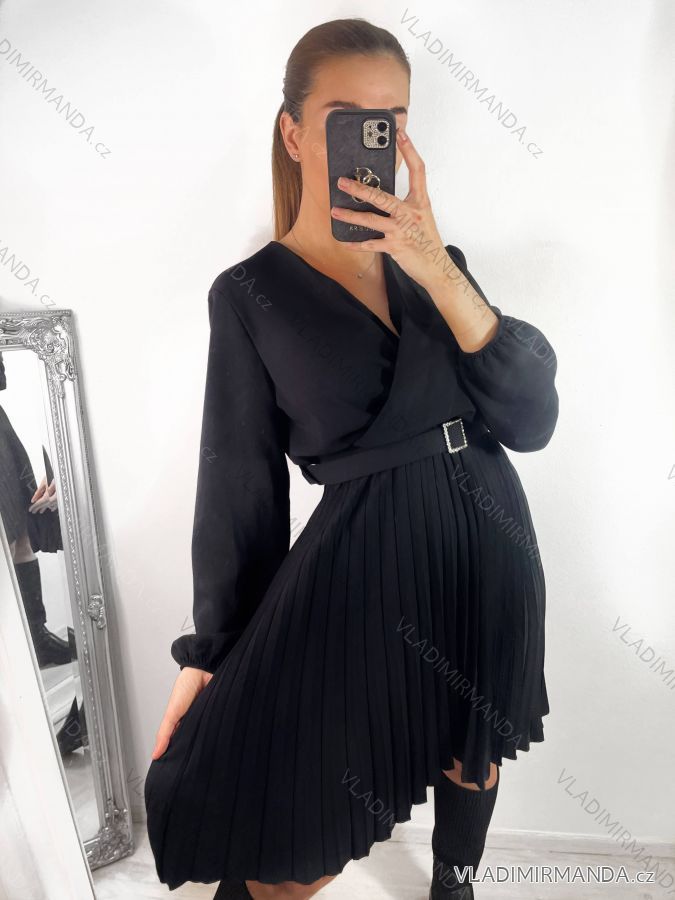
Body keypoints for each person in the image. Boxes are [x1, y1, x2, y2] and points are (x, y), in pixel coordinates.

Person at [144, 18, 559, 900]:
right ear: (295, 132)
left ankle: (454, 883)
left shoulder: (438, 268)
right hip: (365, 568)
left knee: (472, 747)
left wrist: (434, 266)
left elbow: (530, 420)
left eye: (391, 121)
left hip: (486, 540)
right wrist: (209, 652)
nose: (374, 140)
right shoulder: (249, 294)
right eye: (348, 118)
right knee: (299, 830)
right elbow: (239, 484)